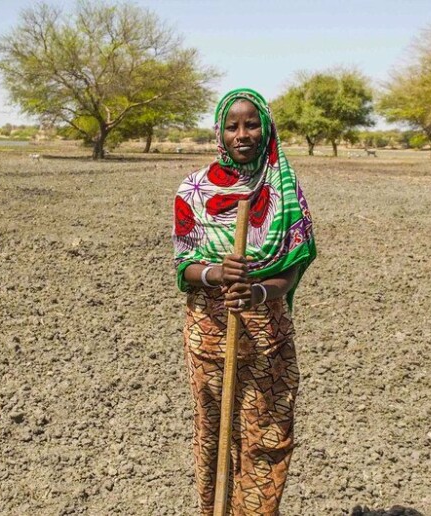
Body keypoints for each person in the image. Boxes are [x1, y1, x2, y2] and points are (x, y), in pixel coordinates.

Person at [172, 88, 317, 515]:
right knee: (214, 436)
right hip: (210, 336)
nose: (242, 134)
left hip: (267, 337)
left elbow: (291, 269)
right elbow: (184, 266)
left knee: (267, 438)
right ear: (220, 131)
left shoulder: (284, 188)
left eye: (251, 124)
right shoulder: (193, 191)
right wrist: (216, 273)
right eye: (232, 126)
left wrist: (257, 289)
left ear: (266, 127)